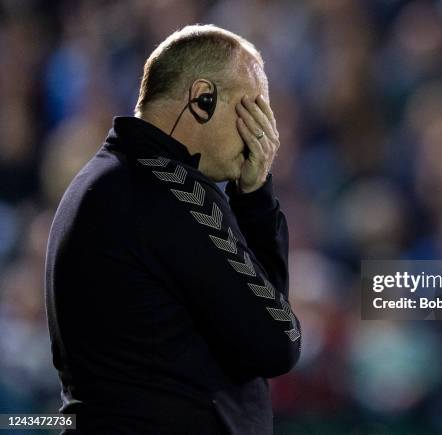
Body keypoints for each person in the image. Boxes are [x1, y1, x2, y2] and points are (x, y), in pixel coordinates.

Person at [44, 24, 302, 435]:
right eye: (252, 110)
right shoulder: (174, 191)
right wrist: (255, 201)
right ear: (203, 100)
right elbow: (276, 340)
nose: (263, 137)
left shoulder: (101, 179)